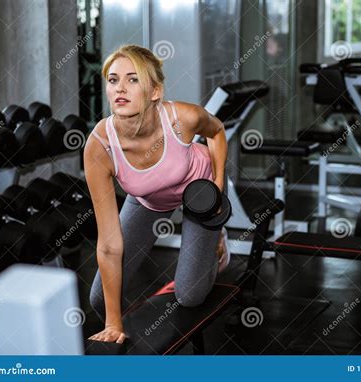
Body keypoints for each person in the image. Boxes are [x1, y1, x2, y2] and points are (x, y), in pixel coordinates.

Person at [84, 44, 229, 344]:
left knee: (188, 296)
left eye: (133, 79)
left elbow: (216, 132)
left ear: (154, 91)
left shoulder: (183, 118)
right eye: (113, 80)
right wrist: (113, 324)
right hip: (148, 197)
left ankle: (217, 244)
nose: (120, 87)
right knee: (99, 298)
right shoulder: (99, 147)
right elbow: (109, 245)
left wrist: (217, 186)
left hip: (196, 189)